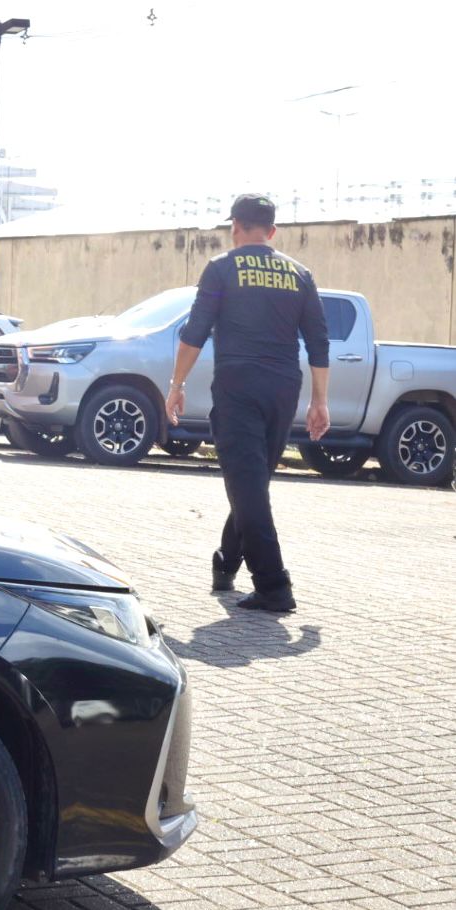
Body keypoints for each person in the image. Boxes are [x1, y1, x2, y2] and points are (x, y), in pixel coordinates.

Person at [167, 194, 330, 613]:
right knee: (251, 484)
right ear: (272, 231)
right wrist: (320, 401)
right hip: (283, 389)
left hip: (238, 387)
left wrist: (177, 384)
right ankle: (226, 562)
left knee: (248, 487)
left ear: (235, 226)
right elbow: (318, 342)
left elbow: (194, 331)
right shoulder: (300, 273)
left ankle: (274, 586)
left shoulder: (222, 268)